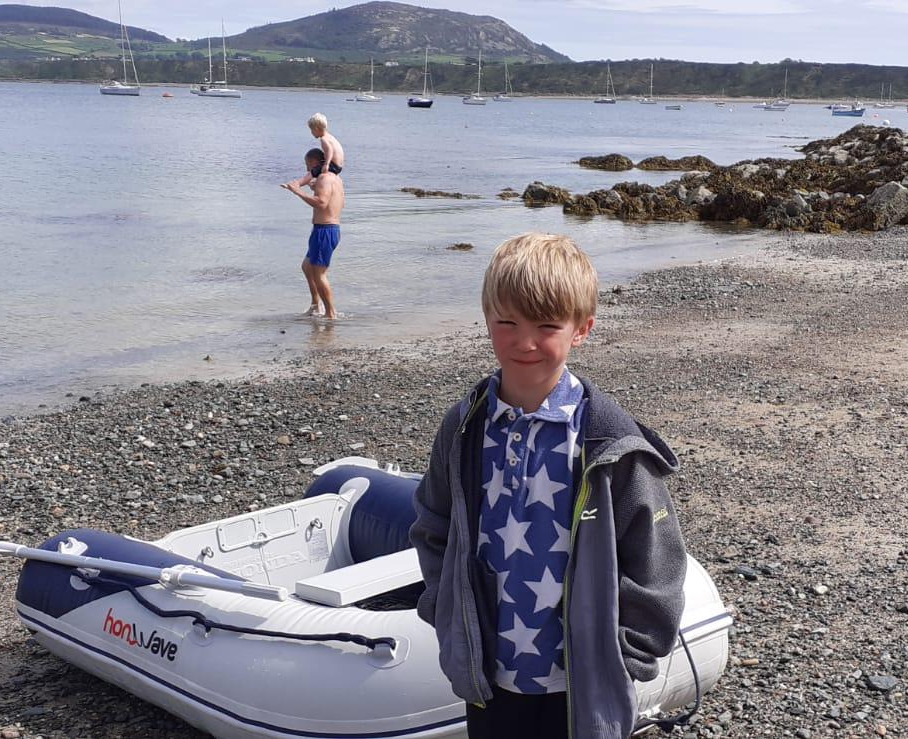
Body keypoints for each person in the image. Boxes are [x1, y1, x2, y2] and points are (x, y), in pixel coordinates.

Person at [409, 233, 687, 738]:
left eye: (546, 326)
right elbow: (433, 522)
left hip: (580, 682)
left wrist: (631, 652)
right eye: (508, 323)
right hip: (489, 674)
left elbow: (655, 550)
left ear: (582, 329)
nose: (525, 342)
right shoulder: (465, 428)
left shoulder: (607, 439)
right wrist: (444, 609)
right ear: (487, 318)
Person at [282, 148, 344, 319]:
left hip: (325, 230)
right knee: (307, 267)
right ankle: (316, 305)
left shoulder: (324, 178)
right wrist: (314, 187)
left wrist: (298, 191)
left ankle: (330, 314)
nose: (307, 170)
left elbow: (321, 203)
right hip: (325, 229)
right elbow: (334, 200)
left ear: (314, 162)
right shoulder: (335, 178)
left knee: (319, 274)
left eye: (307, 165)